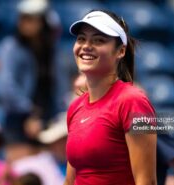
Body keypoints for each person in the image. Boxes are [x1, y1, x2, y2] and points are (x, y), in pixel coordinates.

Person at [64, 10, 157, 185]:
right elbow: (71, 180)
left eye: (98, 40)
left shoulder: (133, 102)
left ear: (121, 51)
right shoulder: (75, 107)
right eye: (81, 39)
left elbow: (146, 181)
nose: (86, 46)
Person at [0, 0, 61, 157]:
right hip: (18, 122)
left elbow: (56, 87)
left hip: (47, 121)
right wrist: (29, 113)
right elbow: (6, 87)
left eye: (32, 18)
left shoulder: (51, 51)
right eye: (23, 18)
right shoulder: (10, 47)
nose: (25, 23)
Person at [11, 112, 67, 185]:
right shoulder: (33, 164)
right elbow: (14, 170)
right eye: (59, 141)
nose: (63, 145)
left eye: (66, 139)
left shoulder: (84, 164)